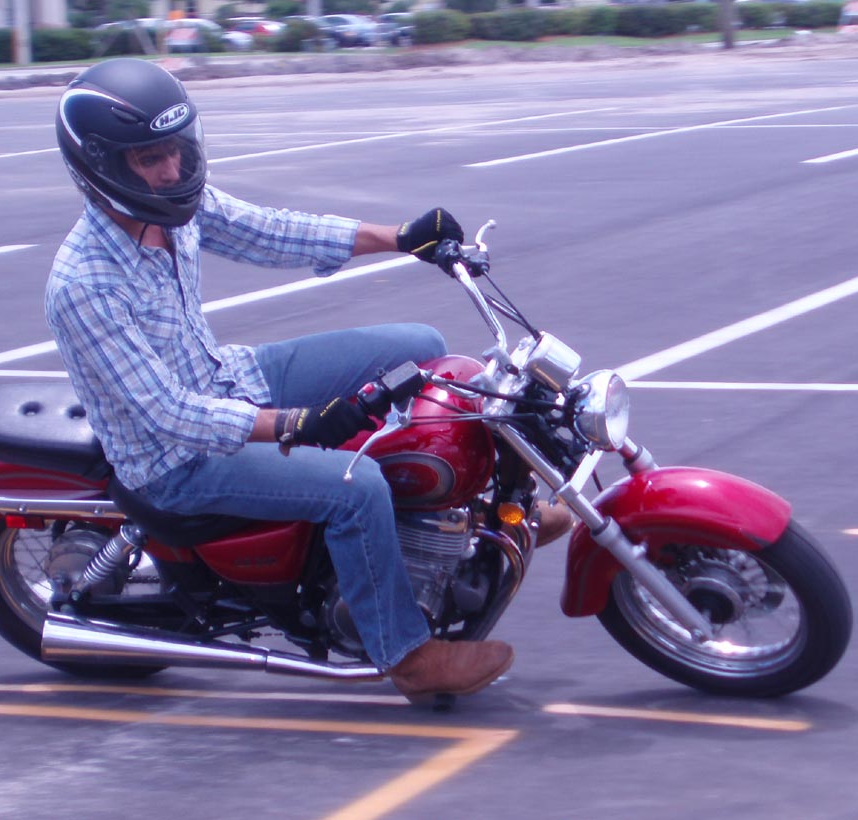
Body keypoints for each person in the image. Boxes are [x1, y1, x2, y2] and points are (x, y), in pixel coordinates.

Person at [47, 58, 566, 702]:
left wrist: (402, 238)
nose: (173, 170)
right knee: (356, 486)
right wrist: (298, 426)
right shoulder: (85, 283)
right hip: (176, 461)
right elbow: (169, 414)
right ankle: (407, 654)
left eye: (177, 150)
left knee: (421, 346)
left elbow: (271, 232)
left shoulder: (172, 212)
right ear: (100, 164)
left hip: (230, 376)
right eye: (150, 158)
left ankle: (484, 515)